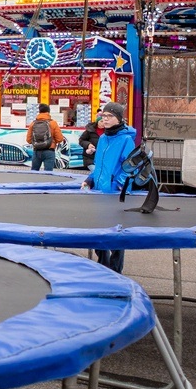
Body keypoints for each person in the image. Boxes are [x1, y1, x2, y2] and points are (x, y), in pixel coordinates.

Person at [82, 102, 140, 272]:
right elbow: (99, 165)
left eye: (109, 116)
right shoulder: (102, 138)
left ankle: (115, 271)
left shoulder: (126, 140)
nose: (105, 119)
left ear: (119, 119)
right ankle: (104, 266)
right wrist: (89, 179)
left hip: (115, 193)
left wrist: (119, 185)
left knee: (116, 235)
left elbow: (130, 167)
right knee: (98, 231)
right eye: (103, 116)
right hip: (99, 192)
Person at [25, 103, 65, 171]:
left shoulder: (33, 123)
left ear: (39, 111)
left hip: (37, 151)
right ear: (48, 112)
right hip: (49, 150)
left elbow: (28, 140)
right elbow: (60, 139)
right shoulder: (53, 123)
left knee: (34, 172)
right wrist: (52, 141)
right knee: (48, 173)